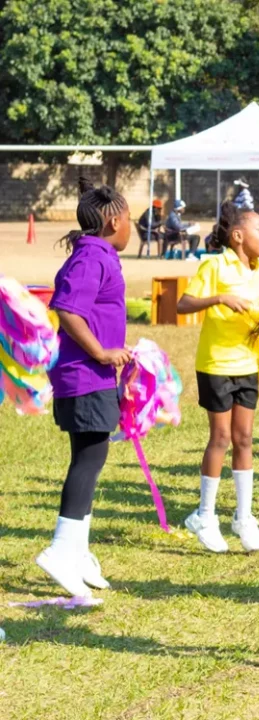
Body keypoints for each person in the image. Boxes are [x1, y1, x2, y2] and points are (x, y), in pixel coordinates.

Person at [37, 177, 132, 598]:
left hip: (94, 374)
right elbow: (67, 310)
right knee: (89, 459)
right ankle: (61, 550)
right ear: (113, 222)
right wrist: (101, 352)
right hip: (84, 373)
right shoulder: (91, 257)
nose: (132, 228)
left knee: (90, 457)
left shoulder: (98, 254)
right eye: (130, 220)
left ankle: (76, 550)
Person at [176, 202, 259, 553]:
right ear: (238, 236)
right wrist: (218, 298)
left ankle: (244, 516)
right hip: (216, 364)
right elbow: (182, 304)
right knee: (221, 438)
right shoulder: (214, 265)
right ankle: (205, 515)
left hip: (247, 365)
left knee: (245, 439)